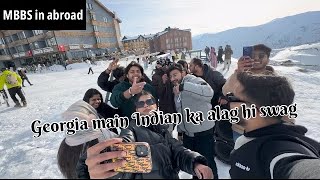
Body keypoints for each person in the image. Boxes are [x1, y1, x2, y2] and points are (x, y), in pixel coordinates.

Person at [77, 90, 214, 179]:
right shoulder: (131, 127)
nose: (146, 106)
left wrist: (196, 163)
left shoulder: (162, 128)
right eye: (141, 104)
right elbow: (124, 143)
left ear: (156, 106)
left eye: (149, 102)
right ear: (136, 109)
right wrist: (96, 168)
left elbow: (177, 151)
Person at [228, 71, 320, 179]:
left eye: (232, 97)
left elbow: (302, 169)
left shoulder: (280, 151)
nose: (227, 102)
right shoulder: (254, 136)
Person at [221, 44, 293, 141]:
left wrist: (289, 125)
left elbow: (285, 105)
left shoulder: (276, 80)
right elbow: (226, 91)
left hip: (269, 131)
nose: (256, 58)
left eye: (261, 56)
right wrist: (239, 72)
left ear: (268, 59)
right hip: (241, 129)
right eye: (253, 56)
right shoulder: (241, 76)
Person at [167, 63, 219, 179]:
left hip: (203, 133)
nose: (173, 79)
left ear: (183, 72)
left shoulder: (194, 80)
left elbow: (209, 92)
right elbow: (181, 112)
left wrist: (184, 86)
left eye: (175, 75)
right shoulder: (177, 90)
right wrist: (180, 131)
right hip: (188, 136)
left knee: (208, 164)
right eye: (171, 77)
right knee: (195, 164)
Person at [57, 88, 121, 179]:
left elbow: (117, 115)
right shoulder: (95, 143)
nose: (97, 101)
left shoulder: (104, 108)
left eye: (99, 99)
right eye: (94, 100)